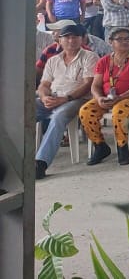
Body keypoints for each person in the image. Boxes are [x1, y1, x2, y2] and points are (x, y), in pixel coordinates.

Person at [33, 24, 100, 179]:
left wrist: (66, 98)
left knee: (58, 116)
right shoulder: (53, 60)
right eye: (67, 37)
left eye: (75, 37)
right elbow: (44, 85)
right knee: (23, 111)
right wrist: (44, 97)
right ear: (59, 40)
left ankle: (40, 163)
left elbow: (88, 84)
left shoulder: (90, 56)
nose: (71, 40)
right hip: (53, 97)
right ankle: (14, 156)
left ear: (82, 39)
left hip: (77, 99)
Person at [80, 27, 129, 166]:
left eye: (128, 39)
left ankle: (122, 147)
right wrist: (99, 98)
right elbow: (95, 85)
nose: (125, 42)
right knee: (86, 111)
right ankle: (100, 146)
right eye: (120, 39)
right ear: (110, 42)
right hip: (108, 98)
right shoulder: (104, 61)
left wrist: (121, 97)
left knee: (119, 110)